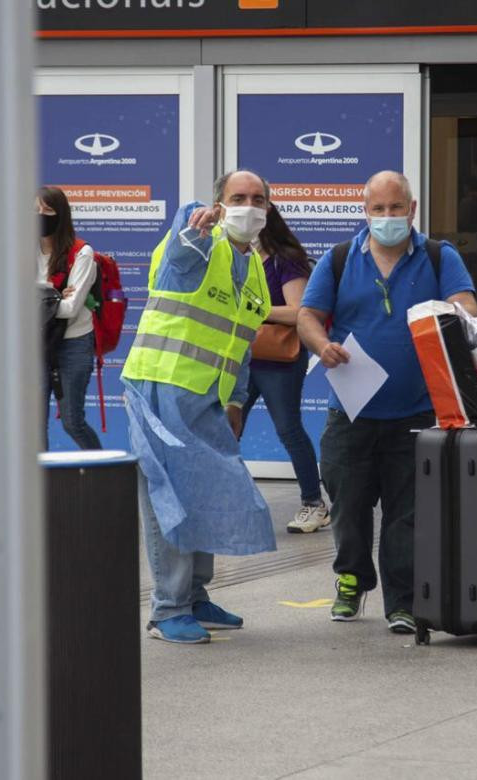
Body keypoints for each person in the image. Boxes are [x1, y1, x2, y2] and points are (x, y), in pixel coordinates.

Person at [296, 170, 477, 634]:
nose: (387, 217)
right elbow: (307, 316)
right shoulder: (338, 259)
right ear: (366, 211)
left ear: (412, 210)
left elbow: (468, 308)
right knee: (347, 504)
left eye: (396, 208)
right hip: (351, 411)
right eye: (378, 209)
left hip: (417, 411)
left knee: (407, 514)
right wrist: (321, 345)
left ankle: (402, 601)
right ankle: (352, 580)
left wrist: (447, 314)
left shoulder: (439, 256)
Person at [121, 169, 275, 645]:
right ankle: (168, 608)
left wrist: (234, 400)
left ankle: (195, 595)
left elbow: (241, 344)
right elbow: (180, 255)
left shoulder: (254, 272)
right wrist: (192, 232)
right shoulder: (199, 243)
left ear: (268, 209)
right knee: (169, 498)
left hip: (206, 400)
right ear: (219, 204)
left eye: (256, 198)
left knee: (206, 493)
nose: (248, 206)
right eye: (237, 197)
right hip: (160, 389)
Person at [241, 204, 329, 533]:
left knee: (288, 429)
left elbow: (299, 312)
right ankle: (229, 500)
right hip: (244, 356)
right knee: (226, 428)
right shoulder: (241, 258)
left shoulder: (285, 258)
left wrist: (255, 311)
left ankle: (314, 504)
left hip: (278, 359)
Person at [37, 186, 102, 451]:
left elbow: (70, 308)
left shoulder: (82, 253)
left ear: (61, 214)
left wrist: (42, 298)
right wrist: (53, 296)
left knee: (72, 422)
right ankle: (39, 486)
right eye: (35, 210)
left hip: (74, 343)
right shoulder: (21, 250)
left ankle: (104, 474)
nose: (40, 215)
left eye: (48, 210)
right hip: (36, 345)